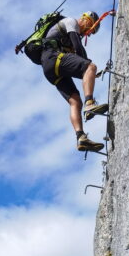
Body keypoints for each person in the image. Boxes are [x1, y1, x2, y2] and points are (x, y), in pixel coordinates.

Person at [39, 12, 108, 153]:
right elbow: (78, 47)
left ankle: (80, 137)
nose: (88, 32)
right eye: (90, 27)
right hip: (53, 57)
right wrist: (90, 68)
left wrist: (89, 73)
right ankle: (90, 104)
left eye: (91, 32)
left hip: (50, 69)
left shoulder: (70, 33)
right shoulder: (71, 22)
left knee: (75, 101)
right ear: (85, 19)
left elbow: (76, 62)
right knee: (90, 67)